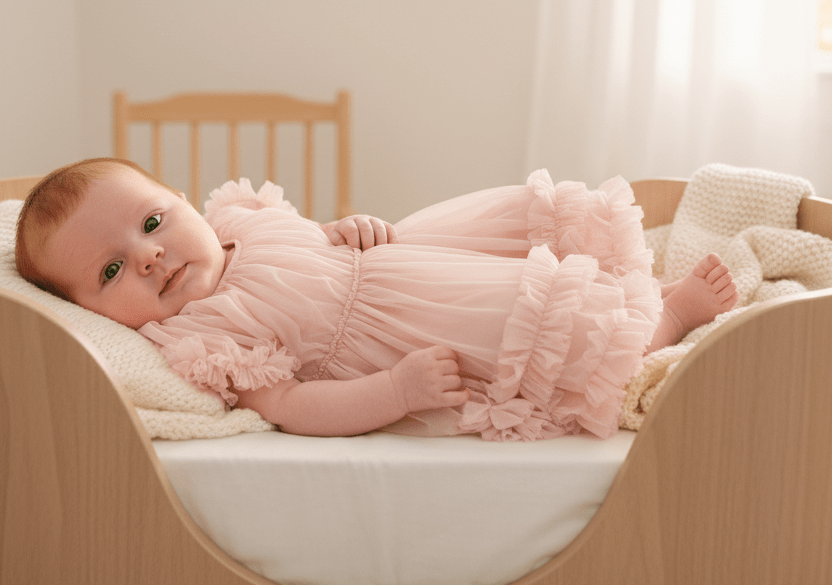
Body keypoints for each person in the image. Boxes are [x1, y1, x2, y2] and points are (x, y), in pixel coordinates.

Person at [16, 157, 738, 442]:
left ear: (181, 200)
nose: (148, 256)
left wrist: (344, 229)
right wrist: (394, 391)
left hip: (409, 261)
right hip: (404, 330)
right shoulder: (198, 338)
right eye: (112, 271)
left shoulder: (238, 223)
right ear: (92, 312)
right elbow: (291, 405)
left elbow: (309, 243)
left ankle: (640, 293)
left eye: (151, 223)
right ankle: (667, 320)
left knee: (524, 266)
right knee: (533, 325)